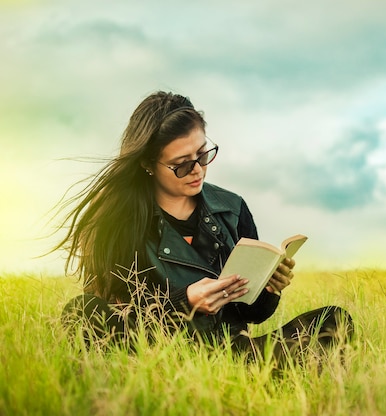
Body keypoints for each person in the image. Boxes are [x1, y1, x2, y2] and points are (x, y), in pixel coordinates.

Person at [57, 91, 353, 364]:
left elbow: (251, 315)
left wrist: (270, 289)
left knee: (334, 320)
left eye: (203, 154)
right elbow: (111, 319)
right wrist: (185, 303)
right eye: (182, 164)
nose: (197, 169)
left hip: (235, 351)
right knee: (80, 312)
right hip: (161, 355)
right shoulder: (115, 221)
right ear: (148, 164)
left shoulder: (232, 208)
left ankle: (249, 376)